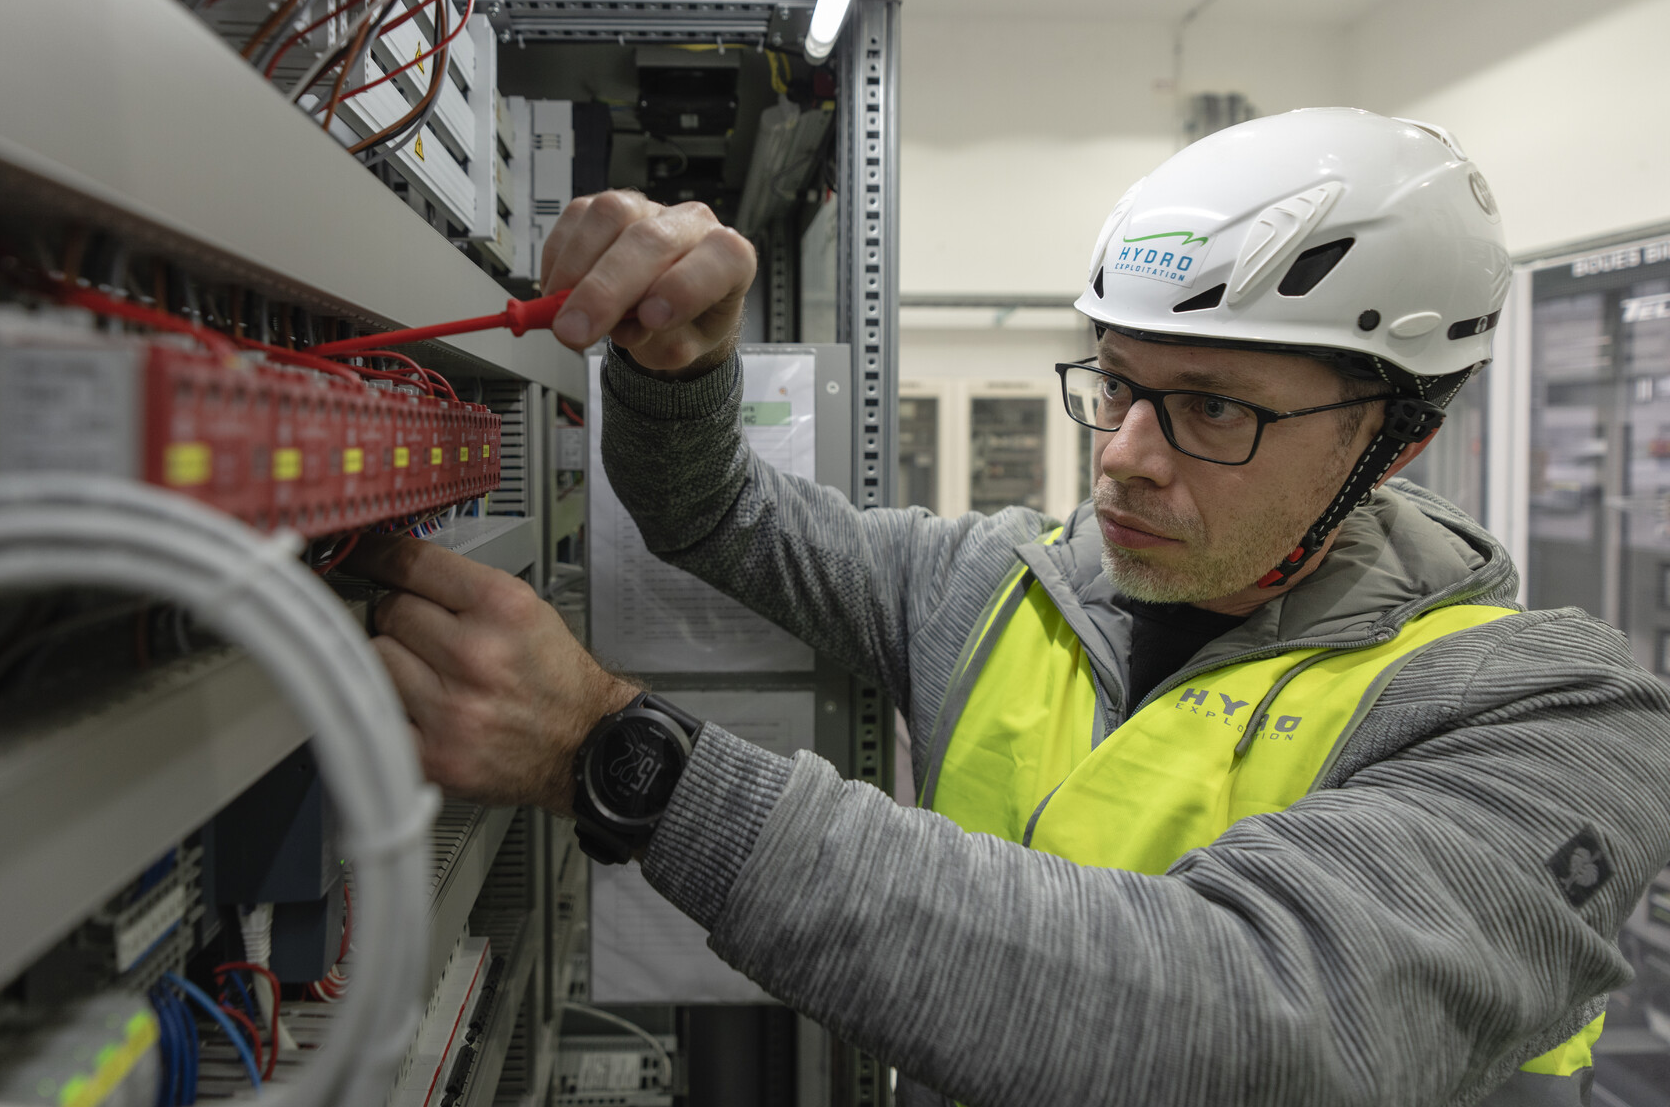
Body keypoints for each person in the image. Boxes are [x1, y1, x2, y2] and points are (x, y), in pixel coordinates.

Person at [348, 108, 1670, 1106]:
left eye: (1213, 407)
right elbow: (719, 514)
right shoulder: (998, 584)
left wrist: (624, 763)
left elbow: (1262, 1026)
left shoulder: (1551, 721)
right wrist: (677, 367)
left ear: (1396, 438)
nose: (1125, 456)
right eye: (1117, 382)